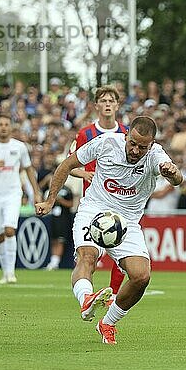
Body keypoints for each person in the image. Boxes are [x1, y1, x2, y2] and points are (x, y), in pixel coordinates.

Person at [35, 116, 184, 345]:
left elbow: (177, 179)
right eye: (132, 143)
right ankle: (86, 299)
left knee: (141, 276)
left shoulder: (156, 156)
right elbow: (67, 165)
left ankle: (107, 322)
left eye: (142, 147)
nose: (135, 150)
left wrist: (172, 172)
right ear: (126, 135)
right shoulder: (105, 143)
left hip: (127, 223)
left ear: (151, 144)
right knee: (87, 256)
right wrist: (50, 200)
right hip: (94, 211)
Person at [69, 85, 129, 302]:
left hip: (120, 202)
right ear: (96, 106)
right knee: (88, 254)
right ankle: (85, 293)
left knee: (123, 250)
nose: (107, 105)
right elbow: (69, 165)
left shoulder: (126, 134)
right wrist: (84, 174)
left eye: (111, 101)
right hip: (93, 203)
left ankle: (113, 293)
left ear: (117, 105)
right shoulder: (85, 133)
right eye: (103, 101)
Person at [0, 114, 41, 283]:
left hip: (13, 194)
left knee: (9, 230)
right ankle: (5, 273)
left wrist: (35, 192)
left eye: (7, 124)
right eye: (1, 124)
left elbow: (28, 169)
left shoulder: (19, 147)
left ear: (11, 127)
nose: (4, 127)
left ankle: (11, 273)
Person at [44, 184, 74, 271]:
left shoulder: (67, 190)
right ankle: (53, 261)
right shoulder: (52, 190)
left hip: (63, 218)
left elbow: (71, 204)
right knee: (54, 240)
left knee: (60, 240)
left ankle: (56, 262)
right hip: (54, 218)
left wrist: (61, 201)